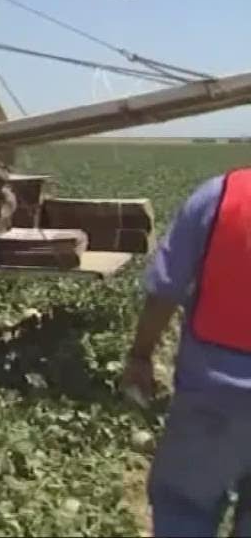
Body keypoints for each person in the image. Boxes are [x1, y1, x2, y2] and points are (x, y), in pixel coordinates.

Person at [121, 167, 251, 537]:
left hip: (214, 400)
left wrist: (140, 356)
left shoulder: (220, 195)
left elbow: (166, 289)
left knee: (184, 508)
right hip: (213, 402)